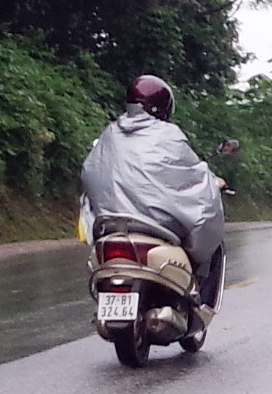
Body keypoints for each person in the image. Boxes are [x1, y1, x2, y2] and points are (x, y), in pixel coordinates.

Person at [78, 75, 227, 312]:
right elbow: (191, 175)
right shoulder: (169, 136)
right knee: (203, 227)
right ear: (164, 106)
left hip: (110, 225)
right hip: (156, 227)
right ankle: (194, 292)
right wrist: (212, 182)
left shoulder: (110, 133)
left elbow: (90, 172)